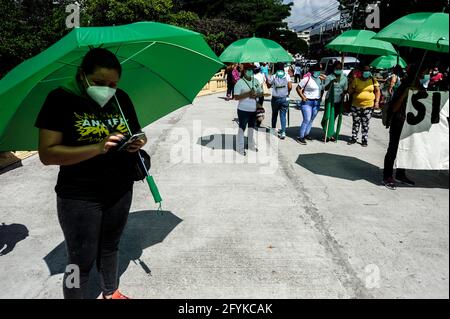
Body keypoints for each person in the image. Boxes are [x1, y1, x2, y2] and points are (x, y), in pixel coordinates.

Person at [35, 48, 147, 299]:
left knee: (110, 246)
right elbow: (47, 153)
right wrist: (97, 147)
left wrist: (138, 141)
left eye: (113, 84)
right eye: (99, 82)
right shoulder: (60, 100)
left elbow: (136, 130)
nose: (107, 89)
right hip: (79, 195)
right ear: (82, 75)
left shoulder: (121, 99)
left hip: (119, 189)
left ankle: (111, 291)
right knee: (79, 258)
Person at [382, 65, 430, 190]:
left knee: (406, 149)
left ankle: (400, 174)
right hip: (398, 122)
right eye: (421, 73)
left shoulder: (419, 87)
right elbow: (394, 108)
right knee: (393, 149)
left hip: (410, 125)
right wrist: (405, 94)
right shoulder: (403, 86)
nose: (423, 76)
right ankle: (387, 176)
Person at [233, 63, 264, 155]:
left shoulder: (256, 81)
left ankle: (250, 144)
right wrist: (247, 94)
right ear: (245, 71)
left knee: (251, 128)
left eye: (252, 70)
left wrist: (256, 94)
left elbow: (261, 93)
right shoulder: (240, 83)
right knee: (242, 128)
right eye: (249, 70)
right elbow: (236, 97)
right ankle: (240, 147)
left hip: (254, 110)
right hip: (243, 110)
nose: (251, 71)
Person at [347, 65, 380, 147]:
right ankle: (354, 138)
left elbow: (377, 91)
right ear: (361, 72)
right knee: (356, 122)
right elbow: (350, 92)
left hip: (368, 106)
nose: (367, 72)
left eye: (368, 71)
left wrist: (377, 102)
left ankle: (364, 139)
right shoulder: (356, 80)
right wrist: (350, 83)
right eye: (365, 71)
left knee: (365, 123)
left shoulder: (373, 80)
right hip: (356, 105)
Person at [296, 64, 323, 145]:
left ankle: (306, 134)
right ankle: (301, 137)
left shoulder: (320, 79)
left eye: (319, 70)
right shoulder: (307, 79)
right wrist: (302, 97)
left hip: (316, 102)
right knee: (306, 119)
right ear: (312, 71)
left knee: (311, 119)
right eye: (316, 70)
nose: (318, 72)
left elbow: (322, 89)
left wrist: (320, 97)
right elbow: (298, 88)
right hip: (307, 102)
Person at [322, 61, 348, 142]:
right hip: (329, 100)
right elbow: (325, 88)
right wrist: (331, 82)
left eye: (340, 68)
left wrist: (345, 93)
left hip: (339, 101)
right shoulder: (329, 77)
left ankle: (330, 134)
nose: (338, 70)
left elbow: (345, 89)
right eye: (336, 68)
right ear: (333, 69)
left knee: (334, 118)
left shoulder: (344, 78)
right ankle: (327, 133)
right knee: (328, 117)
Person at [266, 62, 293, 140]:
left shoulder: (274, 76)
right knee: (283, 115)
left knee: (274, 114)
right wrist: (287, 92)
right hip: (284, 98)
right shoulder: (286, 75)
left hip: (275, 98)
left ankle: (273, 130)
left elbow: (268, 86)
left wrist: (267, 80)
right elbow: (290, 86)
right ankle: (283, 132)